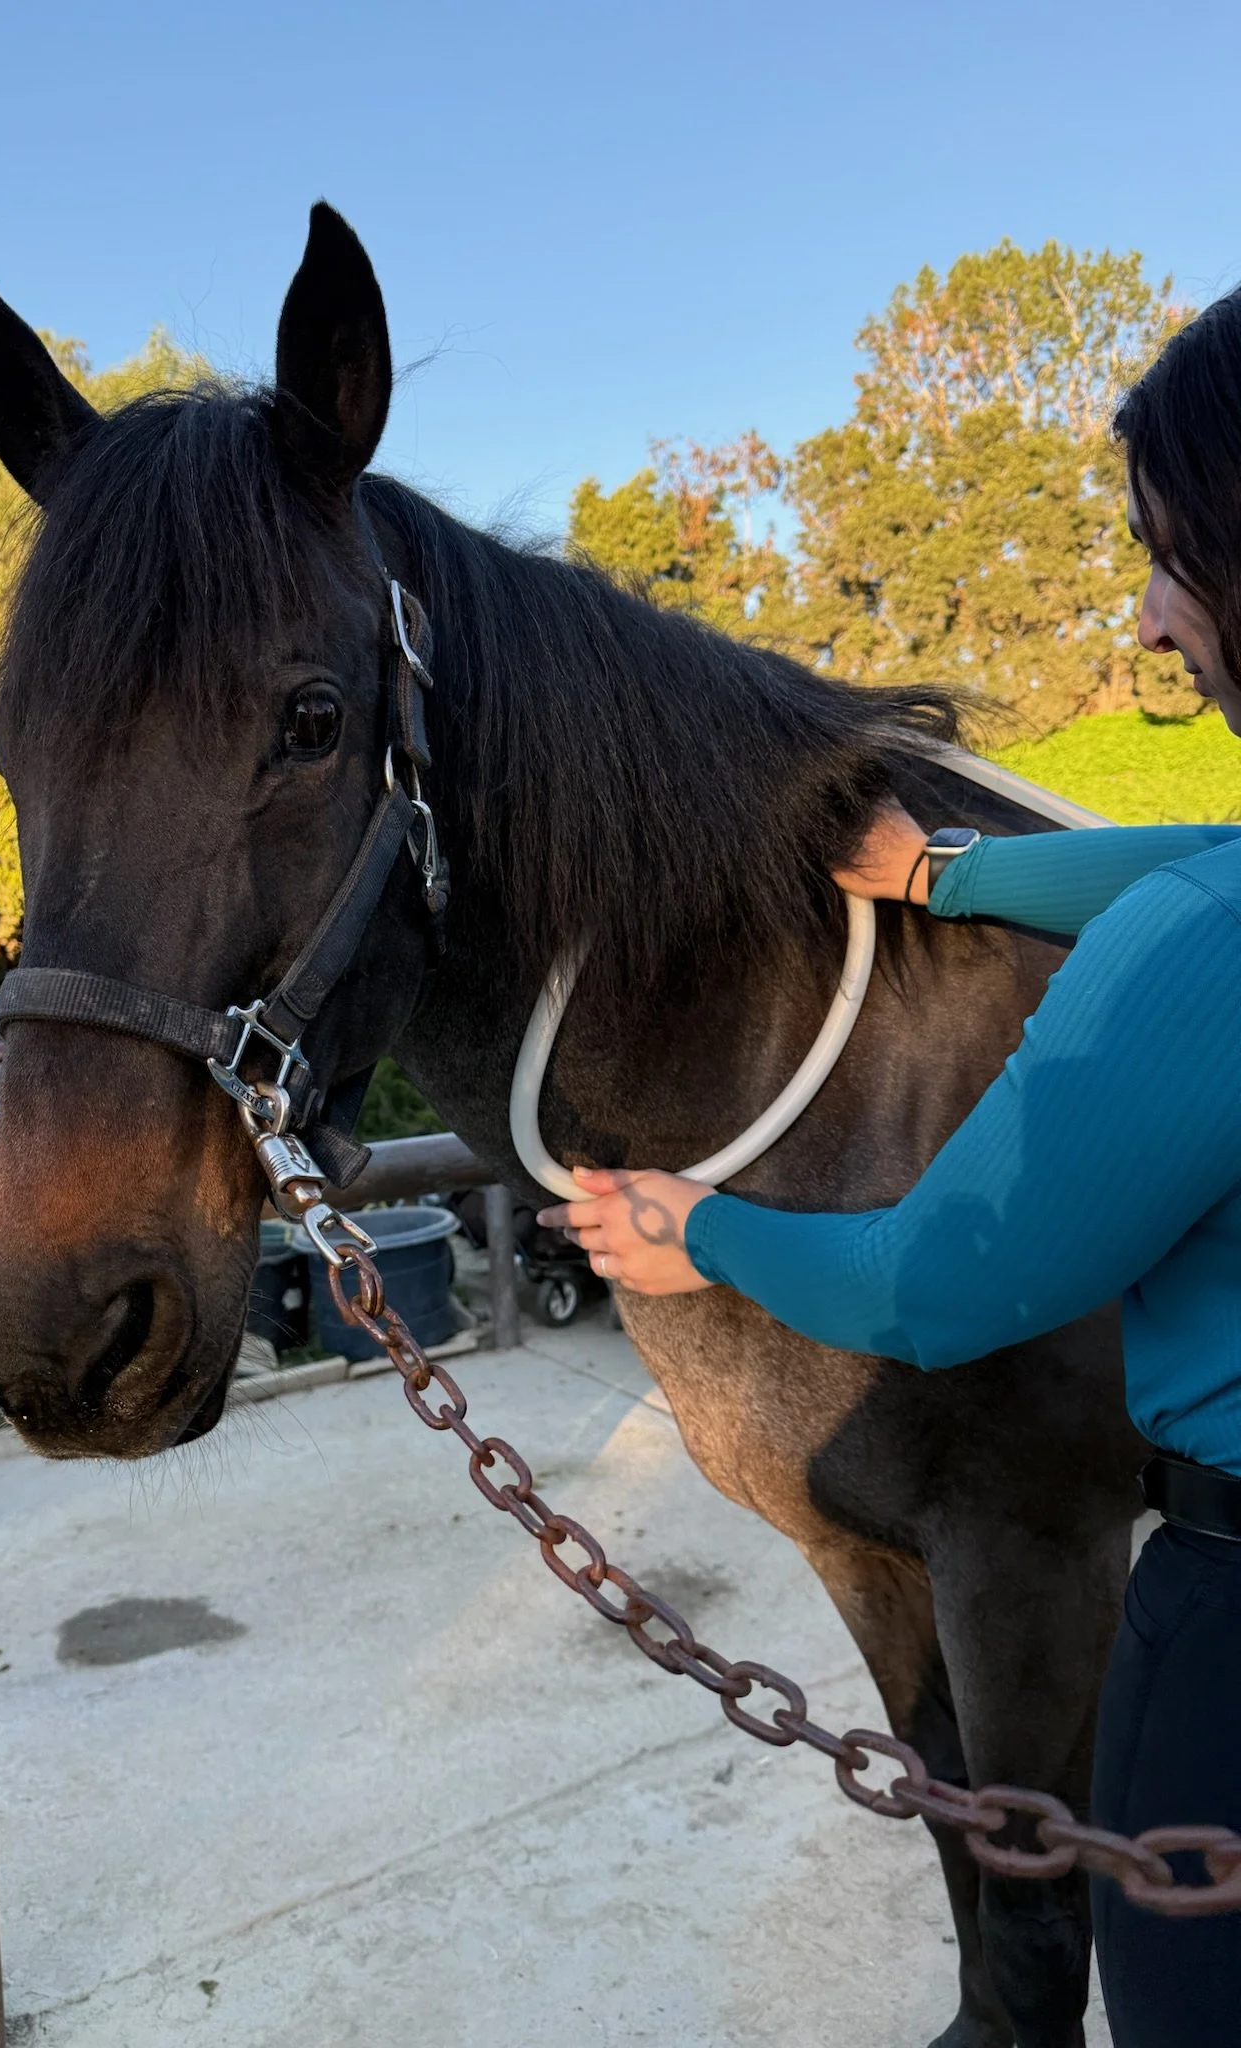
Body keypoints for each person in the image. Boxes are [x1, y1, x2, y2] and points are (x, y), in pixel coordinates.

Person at [538, 287, 1241, 2048]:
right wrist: (951, 878)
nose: (1150, 623)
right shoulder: (1207, 899)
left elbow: (936, 1285)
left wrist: (702, 1230)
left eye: (1176, 560)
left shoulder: (1197, 957)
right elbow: (1197, 855)